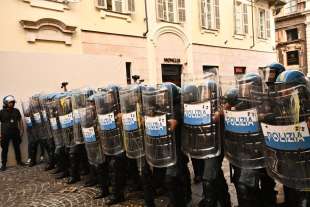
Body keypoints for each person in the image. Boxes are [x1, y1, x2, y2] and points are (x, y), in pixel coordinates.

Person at [0, 95, 25, 171]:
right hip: (5, 134)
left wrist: (22, 130)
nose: (12, 104)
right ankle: (3, 164)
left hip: (15, 132)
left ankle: (19, 161)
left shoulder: (16, 111)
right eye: (10, 102)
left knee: (17, 147)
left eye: (13, 102)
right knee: (5, 149)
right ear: (6, 103)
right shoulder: (1, 112)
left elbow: (20, 121)